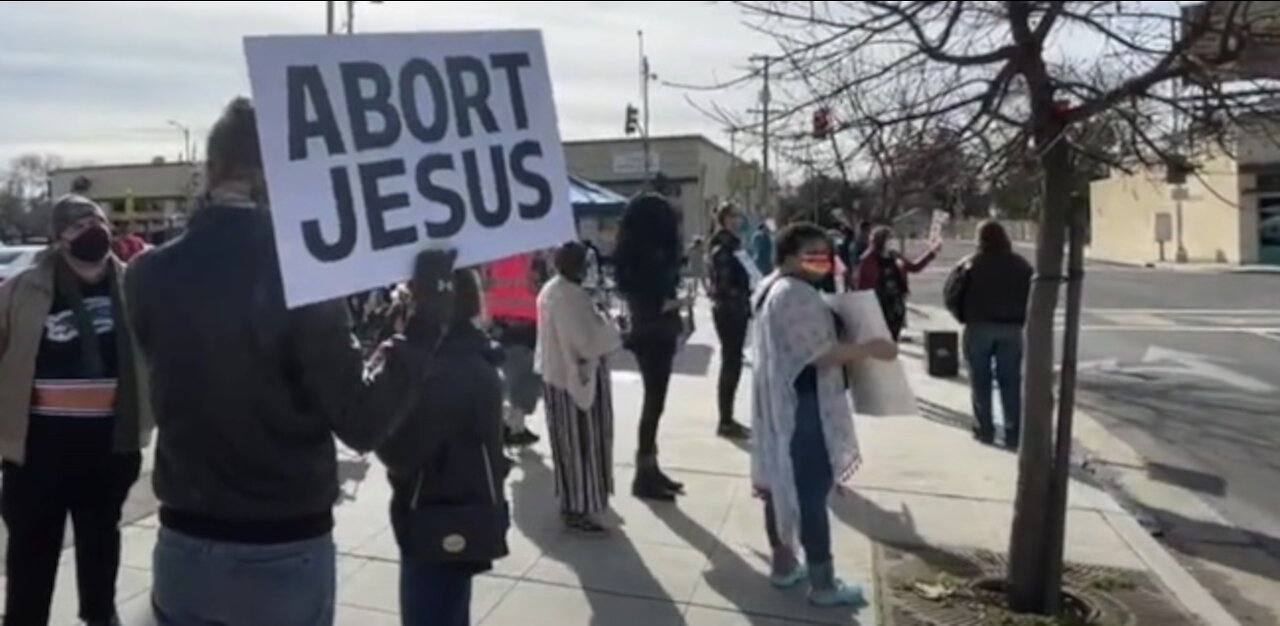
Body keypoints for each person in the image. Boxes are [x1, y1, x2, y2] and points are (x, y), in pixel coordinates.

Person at [125, 97, 451, 626]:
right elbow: (361, 421)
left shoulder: (144, 274)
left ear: (210, 171)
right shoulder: (303, 275)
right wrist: (423, 326)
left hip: (183, 542)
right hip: (280, 545)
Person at [0, 195, 152, 626]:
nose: (92, 228)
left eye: (97, 220)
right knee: (31, 560)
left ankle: (100, 617)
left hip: (109, 450)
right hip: (36, 457)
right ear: (58, 237)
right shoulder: (22, 290)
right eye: (78, 223)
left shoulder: (134, 286)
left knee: (101, 554)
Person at [751, 223, 897, 608]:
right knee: (811, 493)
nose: (822, 260)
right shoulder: (796, 295)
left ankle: (784, 567)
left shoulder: (770, 286)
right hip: (804, 406)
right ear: (787, 256)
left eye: (824, 253)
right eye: (811, 253)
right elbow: (819, 355)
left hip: (780, 404)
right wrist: (871, 348)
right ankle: (823, 583)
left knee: (778, 483)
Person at [378, 269, 510, 626]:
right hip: (458, 509)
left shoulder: (442, 369)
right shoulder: (472, 355)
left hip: (434, 516)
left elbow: (399, 452)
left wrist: (386, 393)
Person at [536, 242, 623, 535]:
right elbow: (587, 343)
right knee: (583, 446)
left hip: (554, 379)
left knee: (566, 446)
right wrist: (613, 329)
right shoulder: (570, 297)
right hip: (576, 382)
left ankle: (573, 503)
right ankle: (579, 507)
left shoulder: (549, 290)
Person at [614, 193, 686, 502]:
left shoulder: (631, 254)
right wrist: (681, 302)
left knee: (653, 402)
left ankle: (650, 465)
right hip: (657, 331)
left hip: (647, 332)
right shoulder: (654, 256)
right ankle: (645, 471)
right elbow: (658, 300)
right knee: (654, 402)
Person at [947, 221, 1033, 448]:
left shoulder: (969, 265)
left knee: (980, 380)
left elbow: (952, 294)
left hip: (979, 326)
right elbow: (1034, 296)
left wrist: (963, 316)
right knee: (1011, 382)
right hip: (1011, 327)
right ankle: (1013, 432)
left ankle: (984, 429)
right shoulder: (1021, 265)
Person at [484, 251, 549, 446]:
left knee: (509, 376)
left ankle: (514, 425)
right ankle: (512, 425)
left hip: (499, 323)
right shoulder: (531, 256)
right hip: (526, 324)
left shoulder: (492, 257)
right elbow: (542, 288)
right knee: (527, 378)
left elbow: (485, 285)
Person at [706, 203, 753, 441]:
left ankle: (728, 418)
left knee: (733, 362)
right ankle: (725, 420)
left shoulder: (734, 245)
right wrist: (745, 294)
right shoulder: (723, 249)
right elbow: (723, 286)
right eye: (733, 217)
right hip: (729, 311)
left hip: (737, 309)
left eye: (738, 216)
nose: (738, 221)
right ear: (724, 219)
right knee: (730, 362)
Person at [855, 227, 940, 341]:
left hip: (896, 302)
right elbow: (861, 285)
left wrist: (931, 253)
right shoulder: (868, 259)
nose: (892, 242)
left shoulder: (894, 256)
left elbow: (914, 267)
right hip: (878, 303)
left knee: (894, 335)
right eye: (889, 239)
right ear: (881, 241)